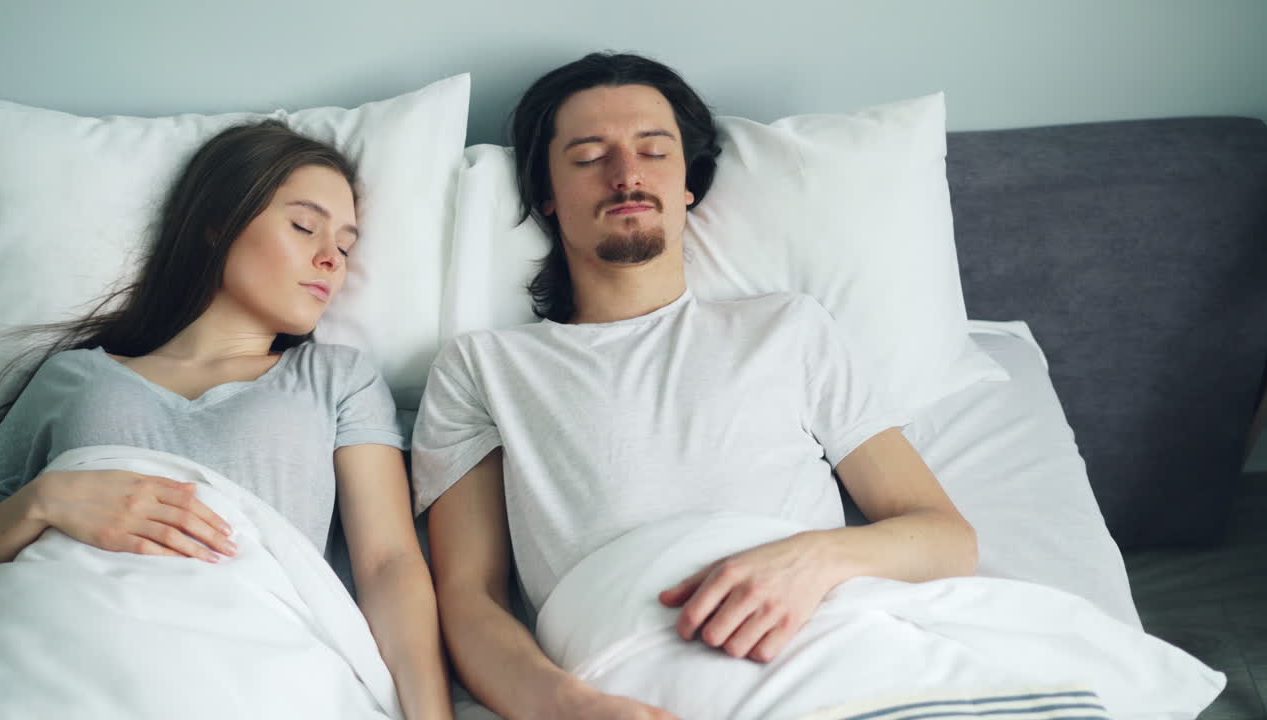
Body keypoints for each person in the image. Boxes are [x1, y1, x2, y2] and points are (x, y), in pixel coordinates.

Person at [413, 52, 978, 720]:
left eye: (654, 151)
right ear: (548, 194)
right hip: (631, 677)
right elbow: (469, 596)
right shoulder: (484, 367)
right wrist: (567, 706)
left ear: (687, 182)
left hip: (830, 645)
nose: (626, 175)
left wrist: (815, 561)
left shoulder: (787, 328)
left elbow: (946, 539)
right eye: (590, 157)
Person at [0, 120, 452, 719]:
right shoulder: (73, 378)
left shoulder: (335, 377)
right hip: (58, 640)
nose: (329, 260)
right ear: (219, 223)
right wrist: (44, 500)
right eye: (304, 226)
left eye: (344, 246)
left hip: (249, 666)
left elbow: (389, 563)